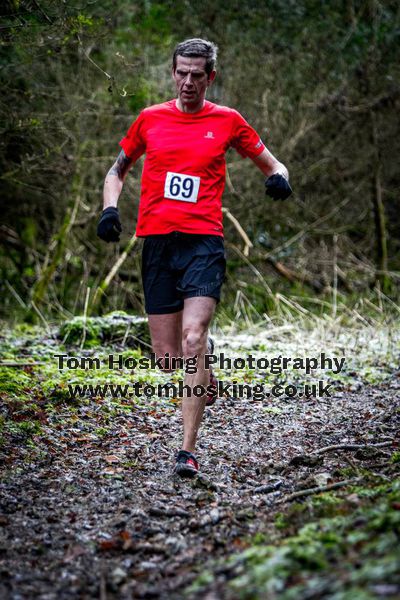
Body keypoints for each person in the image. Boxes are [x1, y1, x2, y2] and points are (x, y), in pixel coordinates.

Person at [97, 38, 292, 478]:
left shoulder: (227, 122)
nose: (188, 82)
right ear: (173, 73)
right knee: (169, 360)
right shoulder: (149, 118)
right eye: (181, 73)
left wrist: (279, 180)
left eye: (197, 75)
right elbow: (117, 170)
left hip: (203, 242)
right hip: (158, 244)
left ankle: (187, 451)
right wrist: (110, 209)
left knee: (192, 339)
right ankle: (204, 373)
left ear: (211, 77)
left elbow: (274, 164)